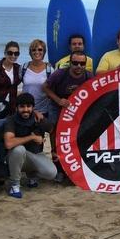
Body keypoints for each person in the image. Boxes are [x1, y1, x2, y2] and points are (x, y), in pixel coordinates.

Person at [42, 51, 93, 181]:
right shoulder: (59, 74)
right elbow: (45, 87)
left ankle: (76, 166)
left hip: (76, 108)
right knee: (55, 131)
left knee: (77, 134)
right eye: (75, 63)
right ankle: (58, 168)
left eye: (82, 63)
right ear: (70, 63)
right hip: (57, 105)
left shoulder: (88, 76)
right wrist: (58, 100)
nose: (79, 66)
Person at [4, 93, 55, 198]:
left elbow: (54, 131)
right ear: (17, 107)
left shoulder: (39, 118)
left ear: (33, 107)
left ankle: (32, 175)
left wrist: (55, 151)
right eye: (22, 106)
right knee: (19, 149)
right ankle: (14, 186)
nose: (25, 109)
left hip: (36, 154)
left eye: (29, 106)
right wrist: (32, 137)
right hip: (15, 157)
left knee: (51, 173)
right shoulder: (11, 120)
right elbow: (8, 144)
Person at [21, 39, 54, 118]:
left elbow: (52, 89)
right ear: (30, 52)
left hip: (43, 111)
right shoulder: (23, 68)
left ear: (44, 52)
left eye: (40, 49)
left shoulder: (49, 70)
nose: (37, 52)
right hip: (25, 110)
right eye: (34, 50)